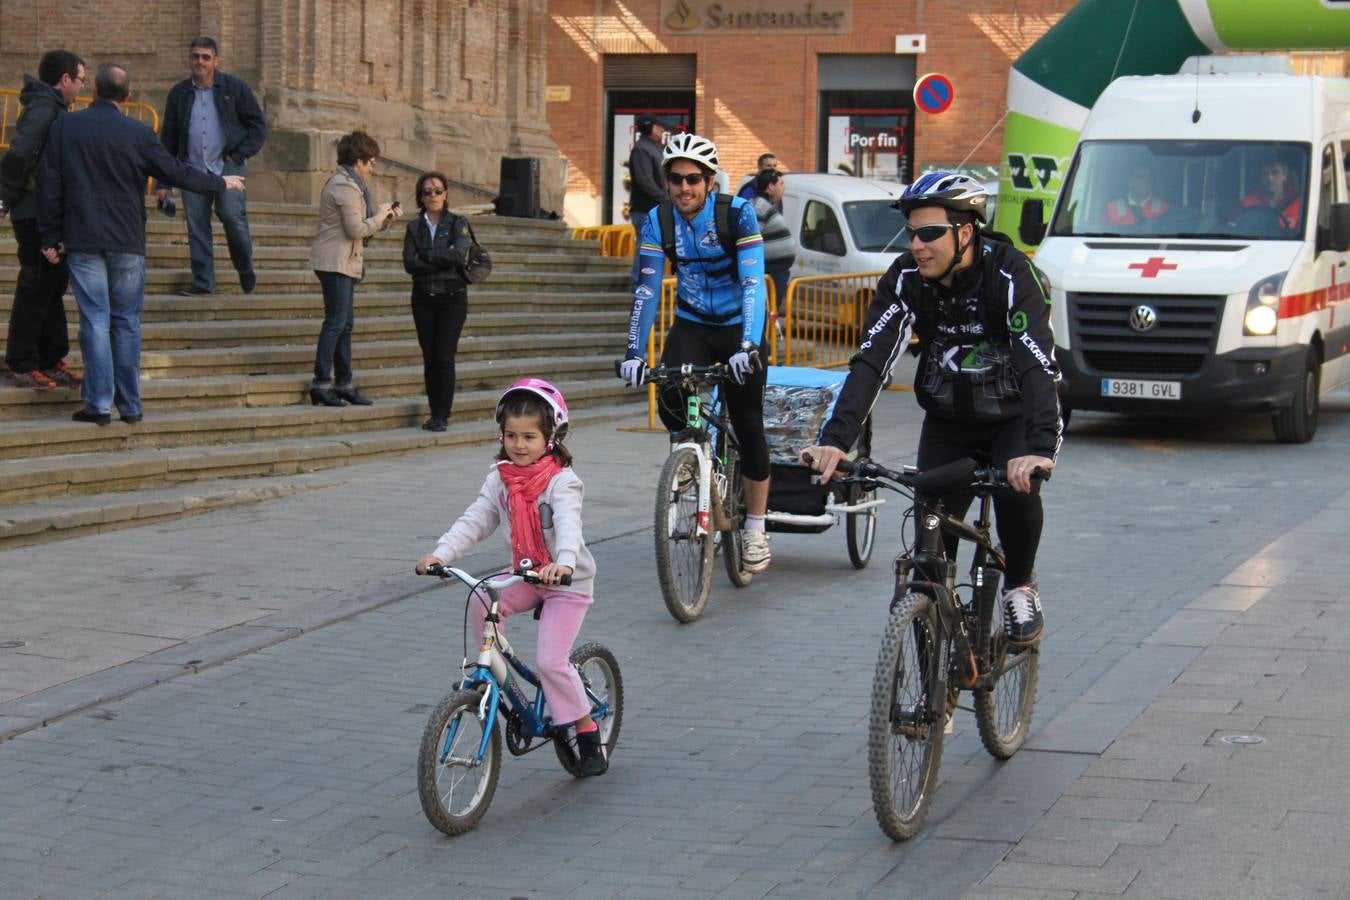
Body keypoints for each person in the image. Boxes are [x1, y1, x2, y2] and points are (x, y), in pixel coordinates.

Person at [803, 172, 1062, 647]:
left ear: (965, 233)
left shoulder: (1009, 274)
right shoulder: (906, 279)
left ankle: (1020, 584)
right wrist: (836, 441)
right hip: (947, 423)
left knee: (1018, 494)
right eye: (912, 233)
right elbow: (872, 360)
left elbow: (1036, 363)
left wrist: (1041, 447)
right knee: (928, 559)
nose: (917, 245)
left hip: (1011, 420)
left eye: (929, 234)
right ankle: (930, 701)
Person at [415, 378, 607, 776]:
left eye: (530, 436)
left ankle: (587, 730)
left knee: (552, 661)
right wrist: (440, 553)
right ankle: (495, 669)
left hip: (566, 582)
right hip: (526, 573)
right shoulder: (499, 479)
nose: (519, 445)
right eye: (511, 436)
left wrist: (565, 562)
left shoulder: (562, 481)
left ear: (551, 437)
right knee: (483, 598)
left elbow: (569, 526)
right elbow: (476, 520)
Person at [38, 62, 244, 426]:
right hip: (127, 241)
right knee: (127, 323)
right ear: (128, 97)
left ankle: (99, 405)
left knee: (95, 321)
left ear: (94, 92)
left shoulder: (66, 126)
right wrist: (220, 183)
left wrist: (50, 236)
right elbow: (175, 171)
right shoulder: (138, 131)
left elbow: (50, 184)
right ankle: (130, 405)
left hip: (83, 238)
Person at [618, 133, 774, 573]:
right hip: (693, 322)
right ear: (665, 182)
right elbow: (647, 289)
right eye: (675, 179)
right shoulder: (657, 220)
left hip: (740, 324)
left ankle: (756, 529)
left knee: (747, 423)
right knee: (669, 389)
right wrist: (633, 351)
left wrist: (748, 343)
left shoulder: (737, 214)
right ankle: (690, 451)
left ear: (709, 181)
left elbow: (752, 284)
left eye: (693, 179)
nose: (683, 187)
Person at [0, 49, 85, 391]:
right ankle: (21, 361)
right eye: (80, 80)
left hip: (47, 210)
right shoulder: (44, 108)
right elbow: (20, 152)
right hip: (34, 210)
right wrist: (4, 195)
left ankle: (50, 359)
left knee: (52, 284)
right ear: (65, 80)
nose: (82, 86)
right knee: (37, 283)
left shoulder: (52, 107)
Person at [156, 37, 267, 296]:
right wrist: (164, 183)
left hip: (228, 166)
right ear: (189, 59)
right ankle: (204, 282)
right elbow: (168, 139)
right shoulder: (179, 93)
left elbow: (258, 125)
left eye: (206, 57)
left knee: (232, 216)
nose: (200, 62)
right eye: (195, 56)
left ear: (215, 61)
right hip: (191, 168)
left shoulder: (235, 88)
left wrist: (239, 156)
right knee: (197, 226)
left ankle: (244, 266)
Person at [307, 130, 401, 407]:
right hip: (335, 262)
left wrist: (384, 220)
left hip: (345, 260)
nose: (372, 168)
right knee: (336, 323)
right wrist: (380, 215)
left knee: (345, 325)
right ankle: (321, 383)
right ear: (358, 160)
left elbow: (361, 230)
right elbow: (356, 228)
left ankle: (344, 383)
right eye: (371, 162)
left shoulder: (352, 185)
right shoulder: (345, 186)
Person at [403, 171, 471, 431]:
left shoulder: (457, 223)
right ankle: (434, 412)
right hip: (423, 298)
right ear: (420, 196)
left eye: (437, 190)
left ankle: (443, 414)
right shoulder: (414, 227)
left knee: (444, 355)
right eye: (427, 192)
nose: (433, 195)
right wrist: (442, 256)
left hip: (452, 298)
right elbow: (410, 263)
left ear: (446, 193)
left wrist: (427, 255)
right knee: (430, 356)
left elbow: (460, 256)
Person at [627, 116, 667, 287]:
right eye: (658, 126)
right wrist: (664, 197)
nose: (661, 130)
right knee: (645, 246)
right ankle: (640, 282)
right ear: (649, 128)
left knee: (654, 247)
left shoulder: (653, 148)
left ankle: (648, 281)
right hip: (645, 208)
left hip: (654, 207)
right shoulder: (642, 149)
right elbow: (645, 181)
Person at [751, 167, 795, 315]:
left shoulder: (765, 206)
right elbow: (752, 239)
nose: (784, 189)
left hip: (776, 271)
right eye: (781, 184)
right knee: (764, 312)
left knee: (770, 312)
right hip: (770, 272)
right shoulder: (759, 206)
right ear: (771, 187)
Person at [1232, 153, 1302, 230]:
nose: (1270, 178)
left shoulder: (1298, 204)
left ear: (1285, 174)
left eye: (1275, 172)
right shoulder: (1248, 203)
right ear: (1260, 176)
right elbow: (1232, 227)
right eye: (1265, 173)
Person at [1104, 164, 1168, 226]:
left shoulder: (1163, 207)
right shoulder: (1112, 207)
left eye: (1149, 177)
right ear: (1130, 182)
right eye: (1140, 176)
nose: (1146, 180)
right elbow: (1103, 233)